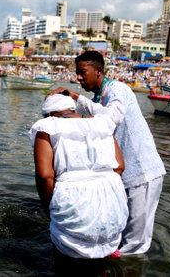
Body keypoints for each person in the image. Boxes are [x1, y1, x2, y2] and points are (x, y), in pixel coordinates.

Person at [49, 50, 166, 255]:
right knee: (117, 234)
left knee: (135, 244)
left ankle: (130, 269)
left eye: (82, 72)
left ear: (99, 70)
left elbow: (111, 118)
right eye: (77, 73)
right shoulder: (98, 98)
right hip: (121, 177)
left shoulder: (117, 89)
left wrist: (76, 99)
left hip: (142, 173)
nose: (78, 78)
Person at [28, 94, 128, 275]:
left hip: (73, 202)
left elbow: (45, 176)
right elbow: (119, 166)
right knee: (99, 266)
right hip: (113, 204)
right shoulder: (102, 123)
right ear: (72, 109)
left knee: (67, 267)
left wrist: (50, 207)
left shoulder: (47, 127)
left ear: (49, 113)